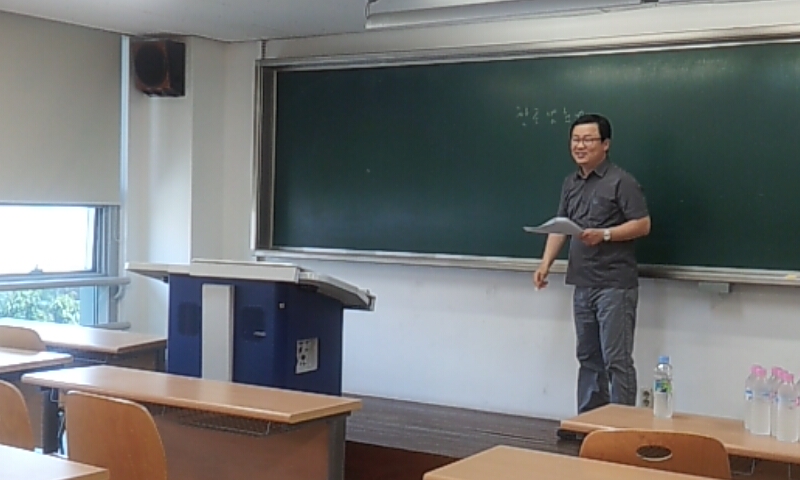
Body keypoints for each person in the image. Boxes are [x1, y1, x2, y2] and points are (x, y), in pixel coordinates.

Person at [533, 113, 651, 414]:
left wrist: (605, 234)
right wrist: (545, 264)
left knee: (617, 360)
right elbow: (560, 226)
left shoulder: (622, 182)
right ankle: (588, 422)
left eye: (588, 139)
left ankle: (621, 427)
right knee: (588, 358)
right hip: (582, 282)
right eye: (575, 139)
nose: (580, 146)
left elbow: (643, 224)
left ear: (605, 144)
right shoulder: (570, 183)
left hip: (614, 285)